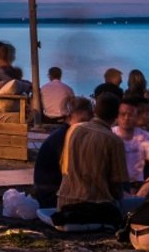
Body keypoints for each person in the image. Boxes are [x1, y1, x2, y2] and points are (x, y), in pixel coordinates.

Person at [56, 92, 133, 223]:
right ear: (116, 115)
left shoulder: (73, 130)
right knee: (140, 204)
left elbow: (63, 167)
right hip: (96, 209)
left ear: (94, 111)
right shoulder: (114, 140)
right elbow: (116, 186)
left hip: (63, 203)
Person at [34, 96, 94, 207]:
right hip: (53, 196)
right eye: (82, 121)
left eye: (88, 122)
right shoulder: (65, 137)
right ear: (71, 116)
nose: (85, 126)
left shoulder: (64, 133)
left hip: (49, 191)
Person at [115, 94, 149, 185]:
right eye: (141, 112)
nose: (146, 116)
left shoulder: (146, 136)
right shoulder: (112, 134)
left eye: (147, 112)